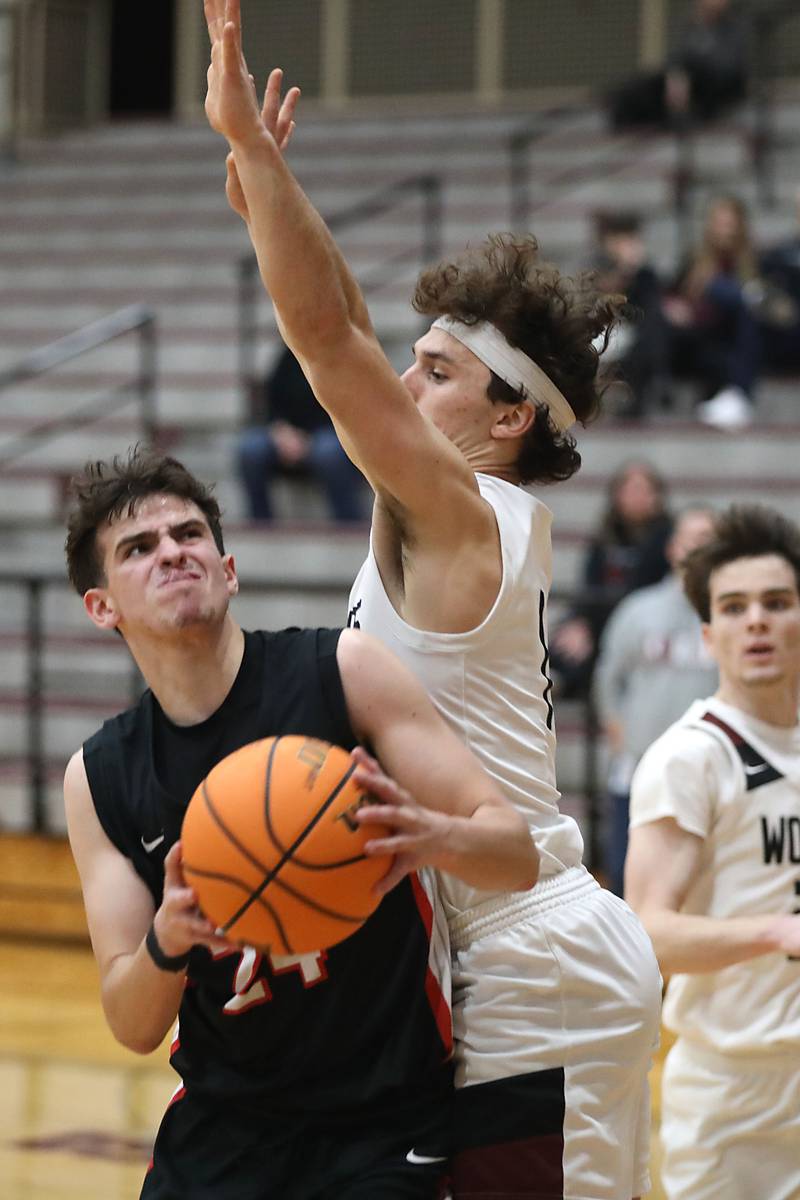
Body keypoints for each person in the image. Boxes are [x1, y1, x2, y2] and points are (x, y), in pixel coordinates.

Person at [204, 6, 663, 1197]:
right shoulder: (454, 513)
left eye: (440, 371)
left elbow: (327, 340)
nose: (407, 382)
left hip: (534, 952)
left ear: (511, 417)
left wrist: (256, 158)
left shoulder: (470, 514)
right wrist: (272, 191)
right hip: (510, 944)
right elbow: (348, 327)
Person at [63, 448, 538, 1200]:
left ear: (229, 568)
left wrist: (428, 836)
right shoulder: (101, 775)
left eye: (189, 534)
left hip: (385, 1119)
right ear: (102, 607)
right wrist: (170, 941)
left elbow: (516, 855)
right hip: (226, 1124)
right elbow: (132, 1023)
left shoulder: (342, 671)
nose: (172, 553)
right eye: (139, 548)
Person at [626, 503, 800, 1200]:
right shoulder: (691, 757)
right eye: (733, 607)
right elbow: (648, 932)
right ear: (708, 635)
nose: (755, 620)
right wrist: (773, 933)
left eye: (777, 602)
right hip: (734, 1094)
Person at [593, 505, 718, 895]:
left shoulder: (734, 615)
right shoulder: (638, 610)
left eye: (709, 540)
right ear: (672, 548)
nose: (699, 548)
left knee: (699, 884)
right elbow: (607, 680)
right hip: (639, 768)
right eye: (691, 538)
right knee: (628, 878)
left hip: (709, 772)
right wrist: (619, 735)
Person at [550, 460, 673, 700]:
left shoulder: (667, 539)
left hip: (644, 624)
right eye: (629, 489)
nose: (636, 496)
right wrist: (580, 623)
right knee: (566, 641)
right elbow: (588, 587)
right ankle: (557, 681)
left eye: (643, 489)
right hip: (599, 620)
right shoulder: (604, 536)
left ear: (656, 496)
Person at [237, 341, 367, 523]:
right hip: (287, 433)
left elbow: (351, 410)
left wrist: (307, 439)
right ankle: (260, 523)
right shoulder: (291, 354)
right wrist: (280, 430)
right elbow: (273, 399)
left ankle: (348, 522)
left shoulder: (345, 356)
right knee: (250, 449)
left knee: (329, 452)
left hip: (330, 433)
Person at [665, 194, 762, 430]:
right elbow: (669, 295)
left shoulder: (752, 264)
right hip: (694, 340)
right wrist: (675, 306)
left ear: (741, 228)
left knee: (744, 300)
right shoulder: (693, 261)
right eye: (720, 223)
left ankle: (739, 395)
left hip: (729, 345)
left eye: (730, 224)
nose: (725, 231)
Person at [609, 0, 748, 131]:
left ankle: (681, 115)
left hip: (714, 87)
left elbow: (727, 67)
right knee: (646, 85)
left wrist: (690, 65)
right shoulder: (692, 27)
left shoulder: (734, 29)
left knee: (682, 71)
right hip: (685, 82)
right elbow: (675, 58)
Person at [588, 211, 671, 418]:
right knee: (647, 337)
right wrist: (624, 271)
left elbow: (650, 303)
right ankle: (659, 379)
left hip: (637, 332)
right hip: (602, 329)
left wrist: (637, 271)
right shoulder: (595, 263)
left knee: (654, 325)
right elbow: (601, 299)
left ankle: (656, 381)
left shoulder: (644, 272)